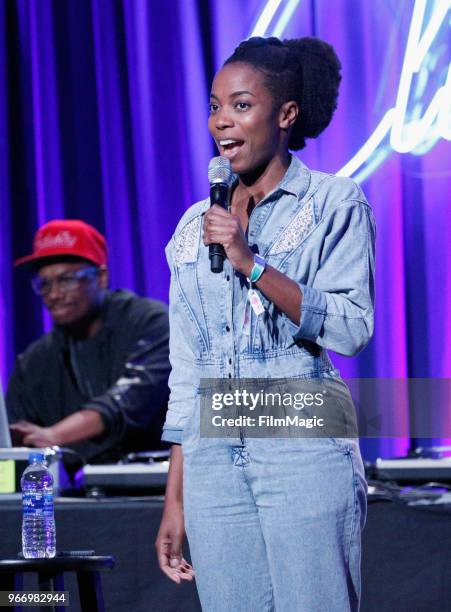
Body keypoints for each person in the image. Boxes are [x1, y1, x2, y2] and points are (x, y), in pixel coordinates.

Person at [155, 36, 375, 611]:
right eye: (214, 106)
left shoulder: (334, 203)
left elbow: (351, 329)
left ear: (286, 115)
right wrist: (175, 500)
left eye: (241, 105)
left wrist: (252, 264)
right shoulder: (192, 228)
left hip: (300, 437)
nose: (222, 122)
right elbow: (188, 371)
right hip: (213, 456)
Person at [7, 219, 170, 464]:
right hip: (70, 497)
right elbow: (17, 437)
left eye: (66, 279)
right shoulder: (33, 362)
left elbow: (125, 403)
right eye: (44, 284)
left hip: (155, 489)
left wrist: (53, 435)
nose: (54, 295)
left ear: (101, 277)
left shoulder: (148, 322)